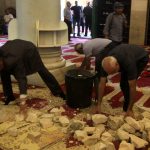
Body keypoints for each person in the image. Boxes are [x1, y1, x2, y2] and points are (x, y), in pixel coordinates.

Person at [0, 39, 66, 105]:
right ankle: (9, 97)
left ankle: (59, 93)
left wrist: (23, 95)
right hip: (15, 48)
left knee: (42, 70)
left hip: (29, 50)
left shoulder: (15, 60)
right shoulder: (2, 56)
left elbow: (21, 78)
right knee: (4, 73)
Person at [95, 44, 149, 117]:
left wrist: (129, 109)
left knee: (126, 84)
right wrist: (98, 104)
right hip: (126, 54)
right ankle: (127, 97)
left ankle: (127, 108)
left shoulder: (128, 63)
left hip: (141, 58)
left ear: (117, 65)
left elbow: (132, 87)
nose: (112, 74)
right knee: (123, 84)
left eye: (113, 72)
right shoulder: (106, 63)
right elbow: (102, 84)